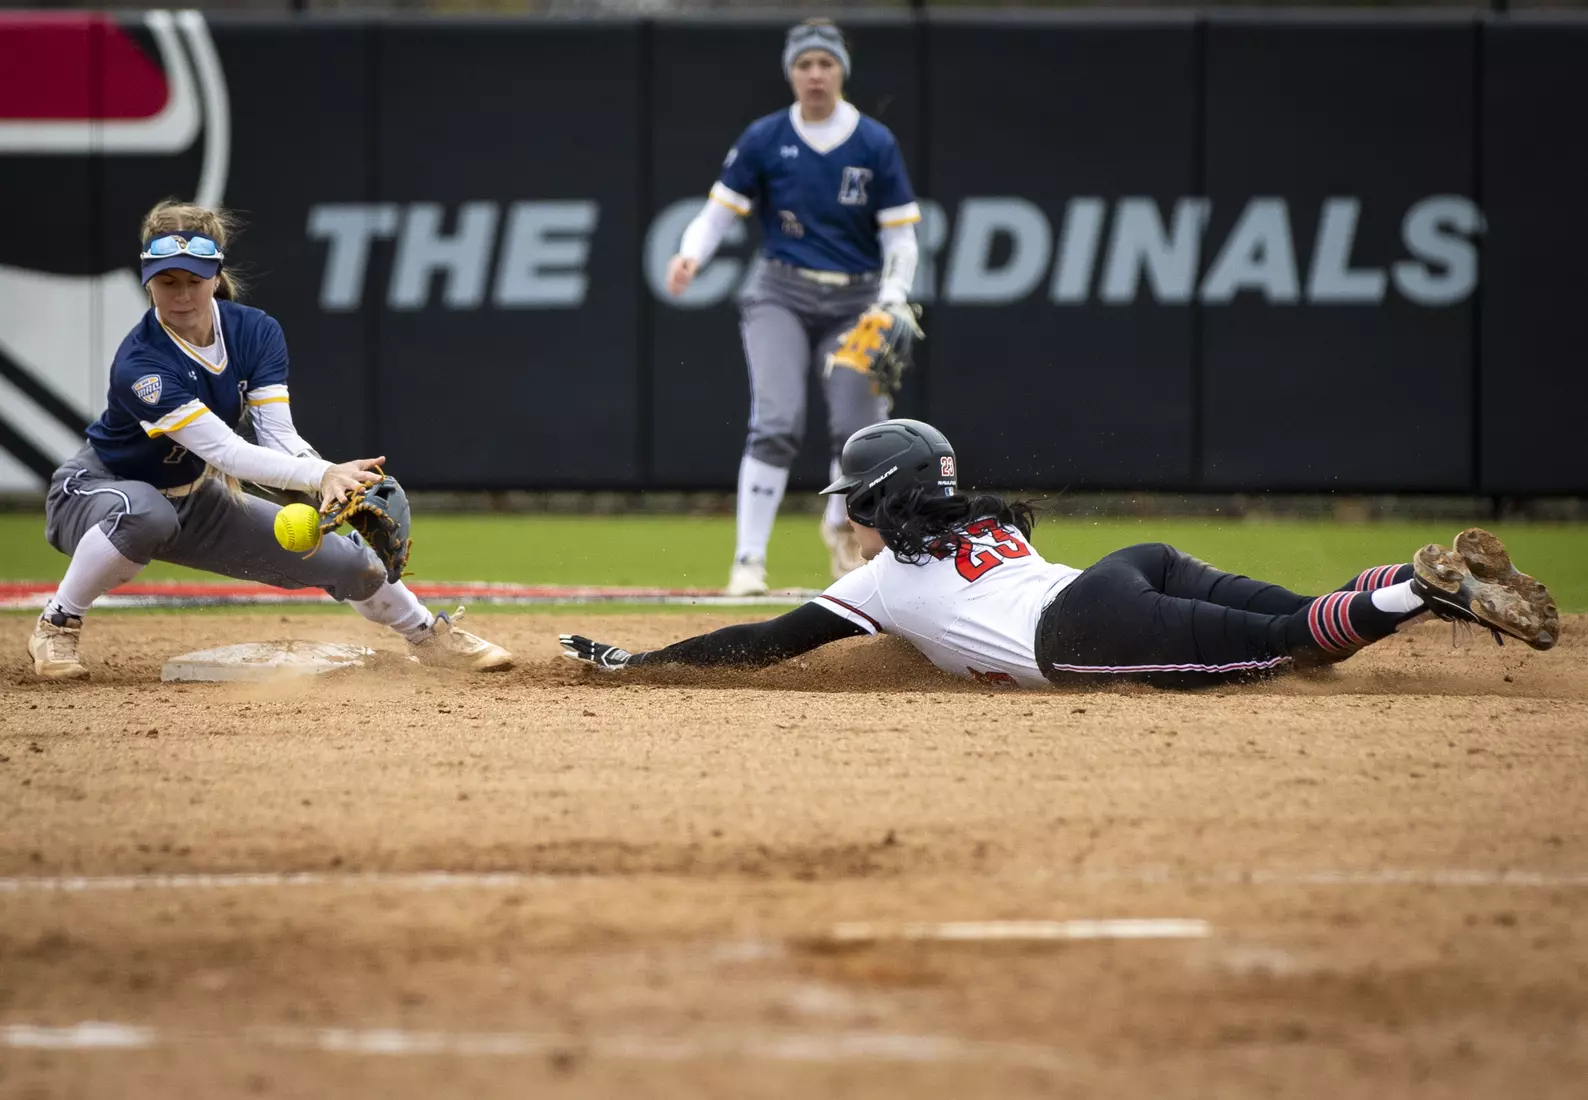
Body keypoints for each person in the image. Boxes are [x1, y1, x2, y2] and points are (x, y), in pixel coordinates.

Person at [560, 419, 1560, 689]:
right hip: (1124, 569)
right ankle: (1414, 583)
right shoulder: (984, 525)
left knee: (1289, 644)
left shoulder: (879, 577)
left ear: (877, 499)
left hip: (1084, 625)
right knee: (1296, 609)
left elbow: (763, 639)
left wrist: (637, 666)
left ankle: (1420, 597)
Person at [26, 200, 513, 680]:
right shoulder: (142, 364)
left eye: (193, 280)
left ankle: (431, 638)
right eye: (166, 281)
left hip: (194, 502)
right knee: (145, 513)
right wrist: (322, 472)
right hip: (96, 492)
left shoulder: (254, 332)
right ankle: (57, 624)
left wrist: (333, 486)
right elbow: (225, 452)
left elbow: (277, 435)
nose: (181, 294)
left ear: (215, 275)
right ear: (147, 280)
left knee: (352, 562)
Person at [665, 18, 923, 597]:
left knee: (860, 436)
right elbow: (719, 211)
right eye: (804, 64)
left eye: (825, 63)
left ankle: (842, 530)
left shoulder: (874, 142)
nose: (814, 74)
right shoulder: (764, 137)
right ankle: (749, 561)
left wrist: (891, 297)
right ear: (790, 72)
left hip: (857, 296)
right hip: (780, 289)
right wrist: (689, 254)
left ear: (841, 72)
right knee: (776, 421)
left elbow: (900, 236)